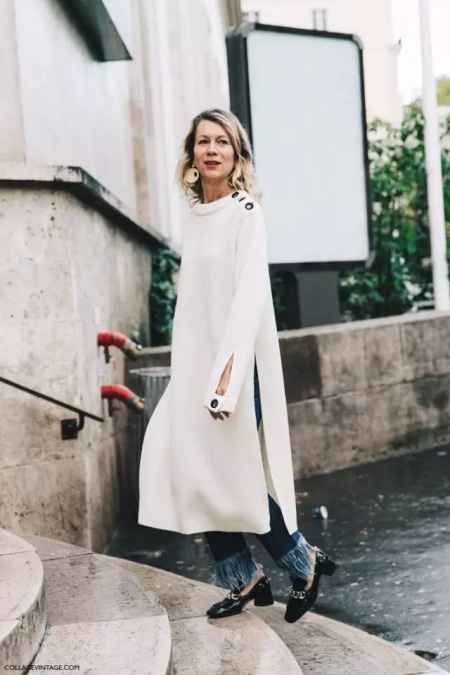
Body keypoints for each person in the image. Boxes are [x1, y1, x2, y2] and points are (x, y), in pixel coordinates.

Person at [138, 108, 337, 623]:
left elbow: (248, 299)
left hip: (233, 369)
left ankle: (302, 562)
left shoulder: (245, 212)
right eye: (203, 141)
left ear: (237, 154)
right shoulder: (196, 214)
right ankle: (245, 577)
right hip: (193, 367)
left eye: (222, 141)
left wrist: (227, 372)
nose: (211, 150)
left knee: (232, 476)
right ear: (192, 153)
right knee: (194, 469)